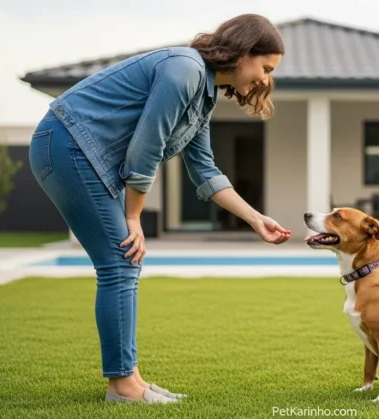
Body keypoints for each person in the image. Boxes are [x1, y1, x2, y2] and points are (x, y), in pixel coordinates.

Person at [28, 14, 290, 404]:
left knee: (124, 262)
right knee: (120, 261)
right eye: (265, 67)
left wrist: (255, 219)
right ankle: (122, 387)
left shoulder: (203, 95)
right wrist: (134, 217)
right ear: (243, 53)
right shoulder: (184, 70)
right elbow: (145, 149)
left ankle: (131, 378)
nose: (266, 79)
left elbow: (205, 170)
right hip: (67, 144)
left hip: (82, 153)